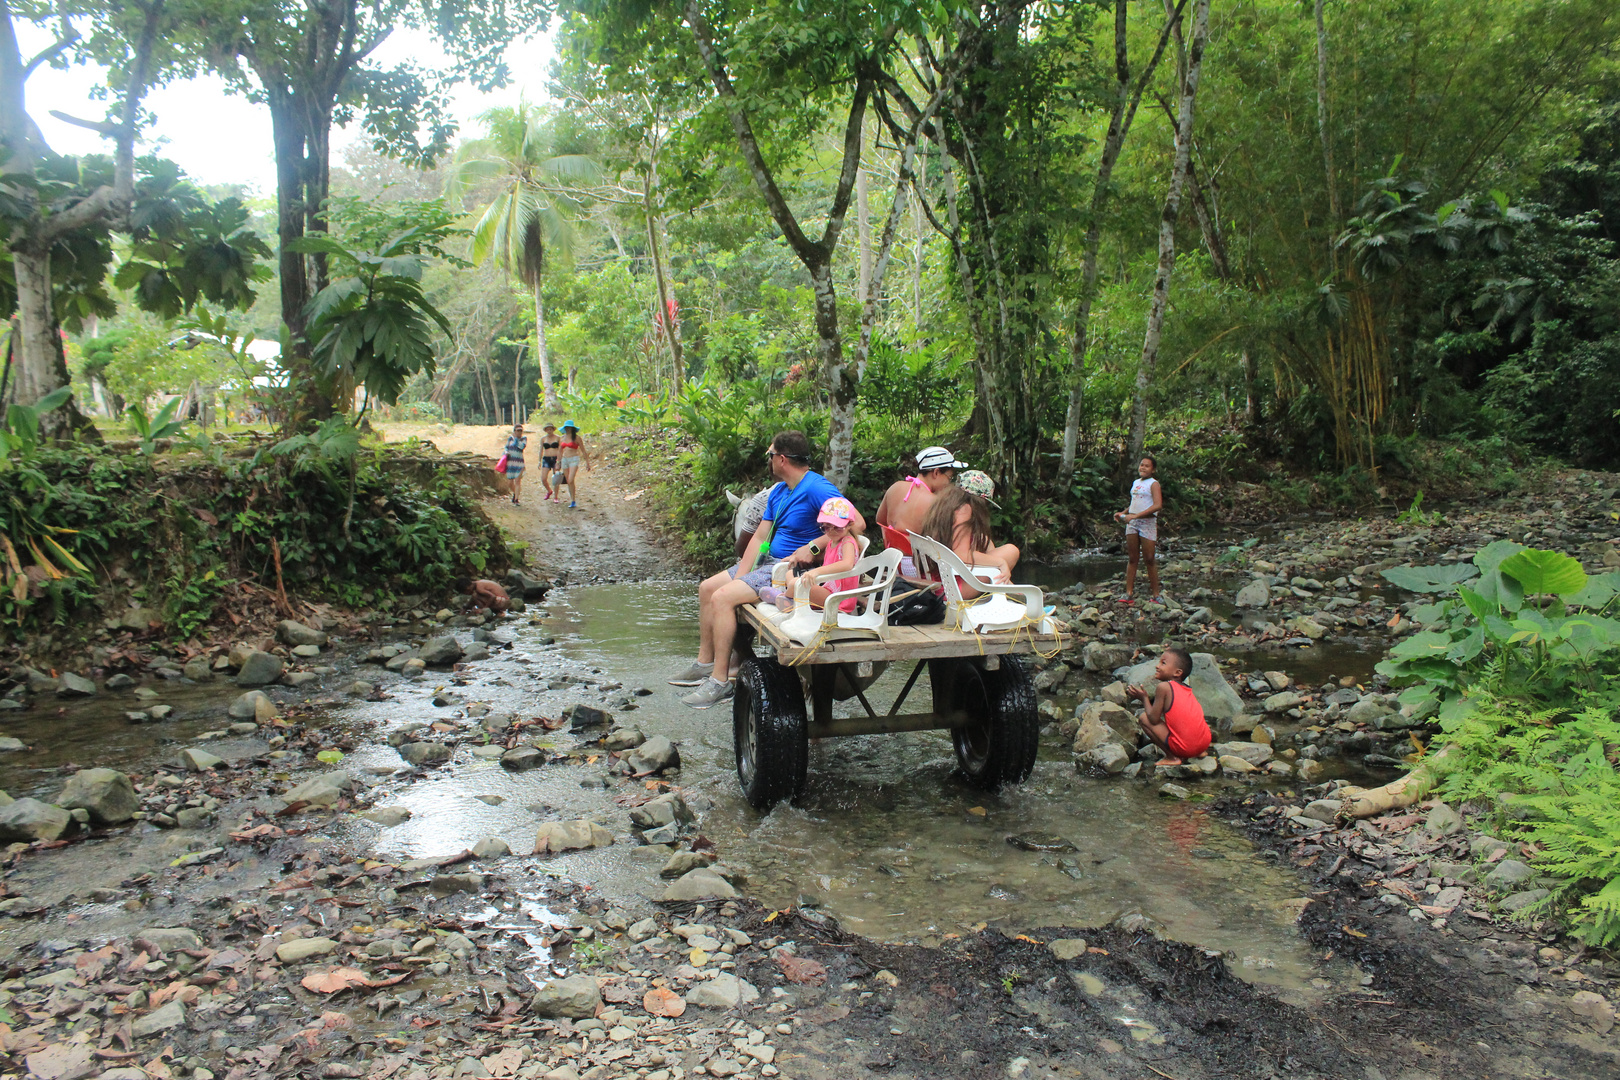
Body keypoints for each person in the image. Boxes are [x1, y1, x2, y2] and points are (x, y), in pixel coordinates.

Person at [670, 430, 864, 709]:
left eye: (771, 455)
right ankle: (704, 662)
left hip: (783, 567)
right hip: (765, 561)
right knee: (707, 589)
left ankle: (720, 680)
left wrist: (812, 548)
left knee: (722, 598)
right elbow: (759, 538)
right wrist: (740, 576)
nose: (769, 460)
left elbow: (856, 524)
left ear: (782, 459)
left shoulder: (816, 487)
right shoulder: (780, 491)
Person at [917, 470, 1020, 595]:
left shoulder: (944, 505)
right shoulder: (964, 509)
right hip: (952, 590)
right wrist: (1000, 562)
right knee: (1011, 551)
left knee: (984, 540)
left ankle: (1012, 590)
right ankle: (1014, 593)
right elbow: (961, 554)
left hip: (937, 581)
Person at [876, 446, 964, 578]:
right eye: (949, 477)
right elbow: (947, 544)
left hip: (893, 562)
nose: (948, 483)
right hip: (920, 570)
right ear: (936, 472)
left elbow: (880, 520)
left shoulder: (895, 487)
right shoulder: (935, 502)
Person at [763, 496, 862, 612]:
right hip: (826, 590)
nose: (832, 531)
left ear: (850, 525)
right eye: (826, 527)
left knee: (796, 583)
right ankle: (789, 599)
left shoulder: (847, 542)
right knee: (790, 574)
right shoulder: (832, 541)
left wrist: (816, 571)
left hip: (838, 599)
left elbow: (847, 564)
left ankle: (783, 598)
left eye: (838, 528)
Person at [1126, 647, 1210, 765]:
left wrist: (1144, 698)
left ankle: (1172, 758)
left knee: (1143, 718)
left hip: (1185, 748)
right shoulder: (1186, 689)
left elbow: (1153, 720)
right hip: (1204, 743)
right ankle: (1199, 752)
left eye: (1163, 663)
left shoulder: (1164, 687)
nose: (1157, 666)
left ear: (1177, 673)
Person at [1113, 454, 1162, 603]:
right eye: (1142, 465)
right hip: (1132, 523)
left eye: (1147, 466)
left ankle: (1156, 595)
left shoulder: (1154, 484)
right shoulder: (1136, 483)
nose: (1143, 468)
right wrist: (1124, 513)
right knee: (1132, 558)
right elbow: (1135, 502)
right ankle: (1128, 594)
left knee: (1149, 559)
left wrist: (1135, 516)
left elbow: (1157, 505)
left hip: (1147, 523)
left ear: (1153, 470)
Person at [556, 421, 592, 509]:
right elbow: (559, 451)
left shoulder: (577, 438)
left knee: (570, 479)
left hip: (574, 459)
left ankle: (573, 499)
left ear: (572, 429)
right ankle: (572, 500)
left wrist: (587, 463)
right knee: (568, 481)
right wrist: (558, 462)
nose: (568, 429)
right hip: (565, 460)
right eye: (567, 428)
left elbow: (583, 450)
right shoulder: (562, 438)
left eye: (569, 428)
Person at [502, 423, 528, 505]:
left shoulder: (524, 439)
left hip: (519, 463)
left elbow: (521, 446)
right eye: (518, 430)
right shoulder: (510, 438)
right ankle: (515, 493)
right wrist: (506, 452)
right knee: (510, 482)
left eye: (521, 430)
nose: (519, 432)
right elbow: (506, 447)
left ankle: (516, 499)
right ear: (514, 431)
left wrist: (516, 439)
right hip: (510, 463)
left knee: (517, 481)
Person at [538, 423, 561, 501]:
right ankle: (549, 490)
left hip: (555, 458)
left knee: (556, 478)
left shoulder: (558, 438)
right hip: (546, 458)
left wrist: (558, 460)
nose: (549, 430)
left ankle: (556, 496)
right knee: (543, 478)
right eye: (547, 429)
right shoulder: (543, 439)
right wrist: (539, 461)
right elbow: (541, 450)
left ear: (553, 429)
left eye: (550, 429)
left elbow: (560, 450)